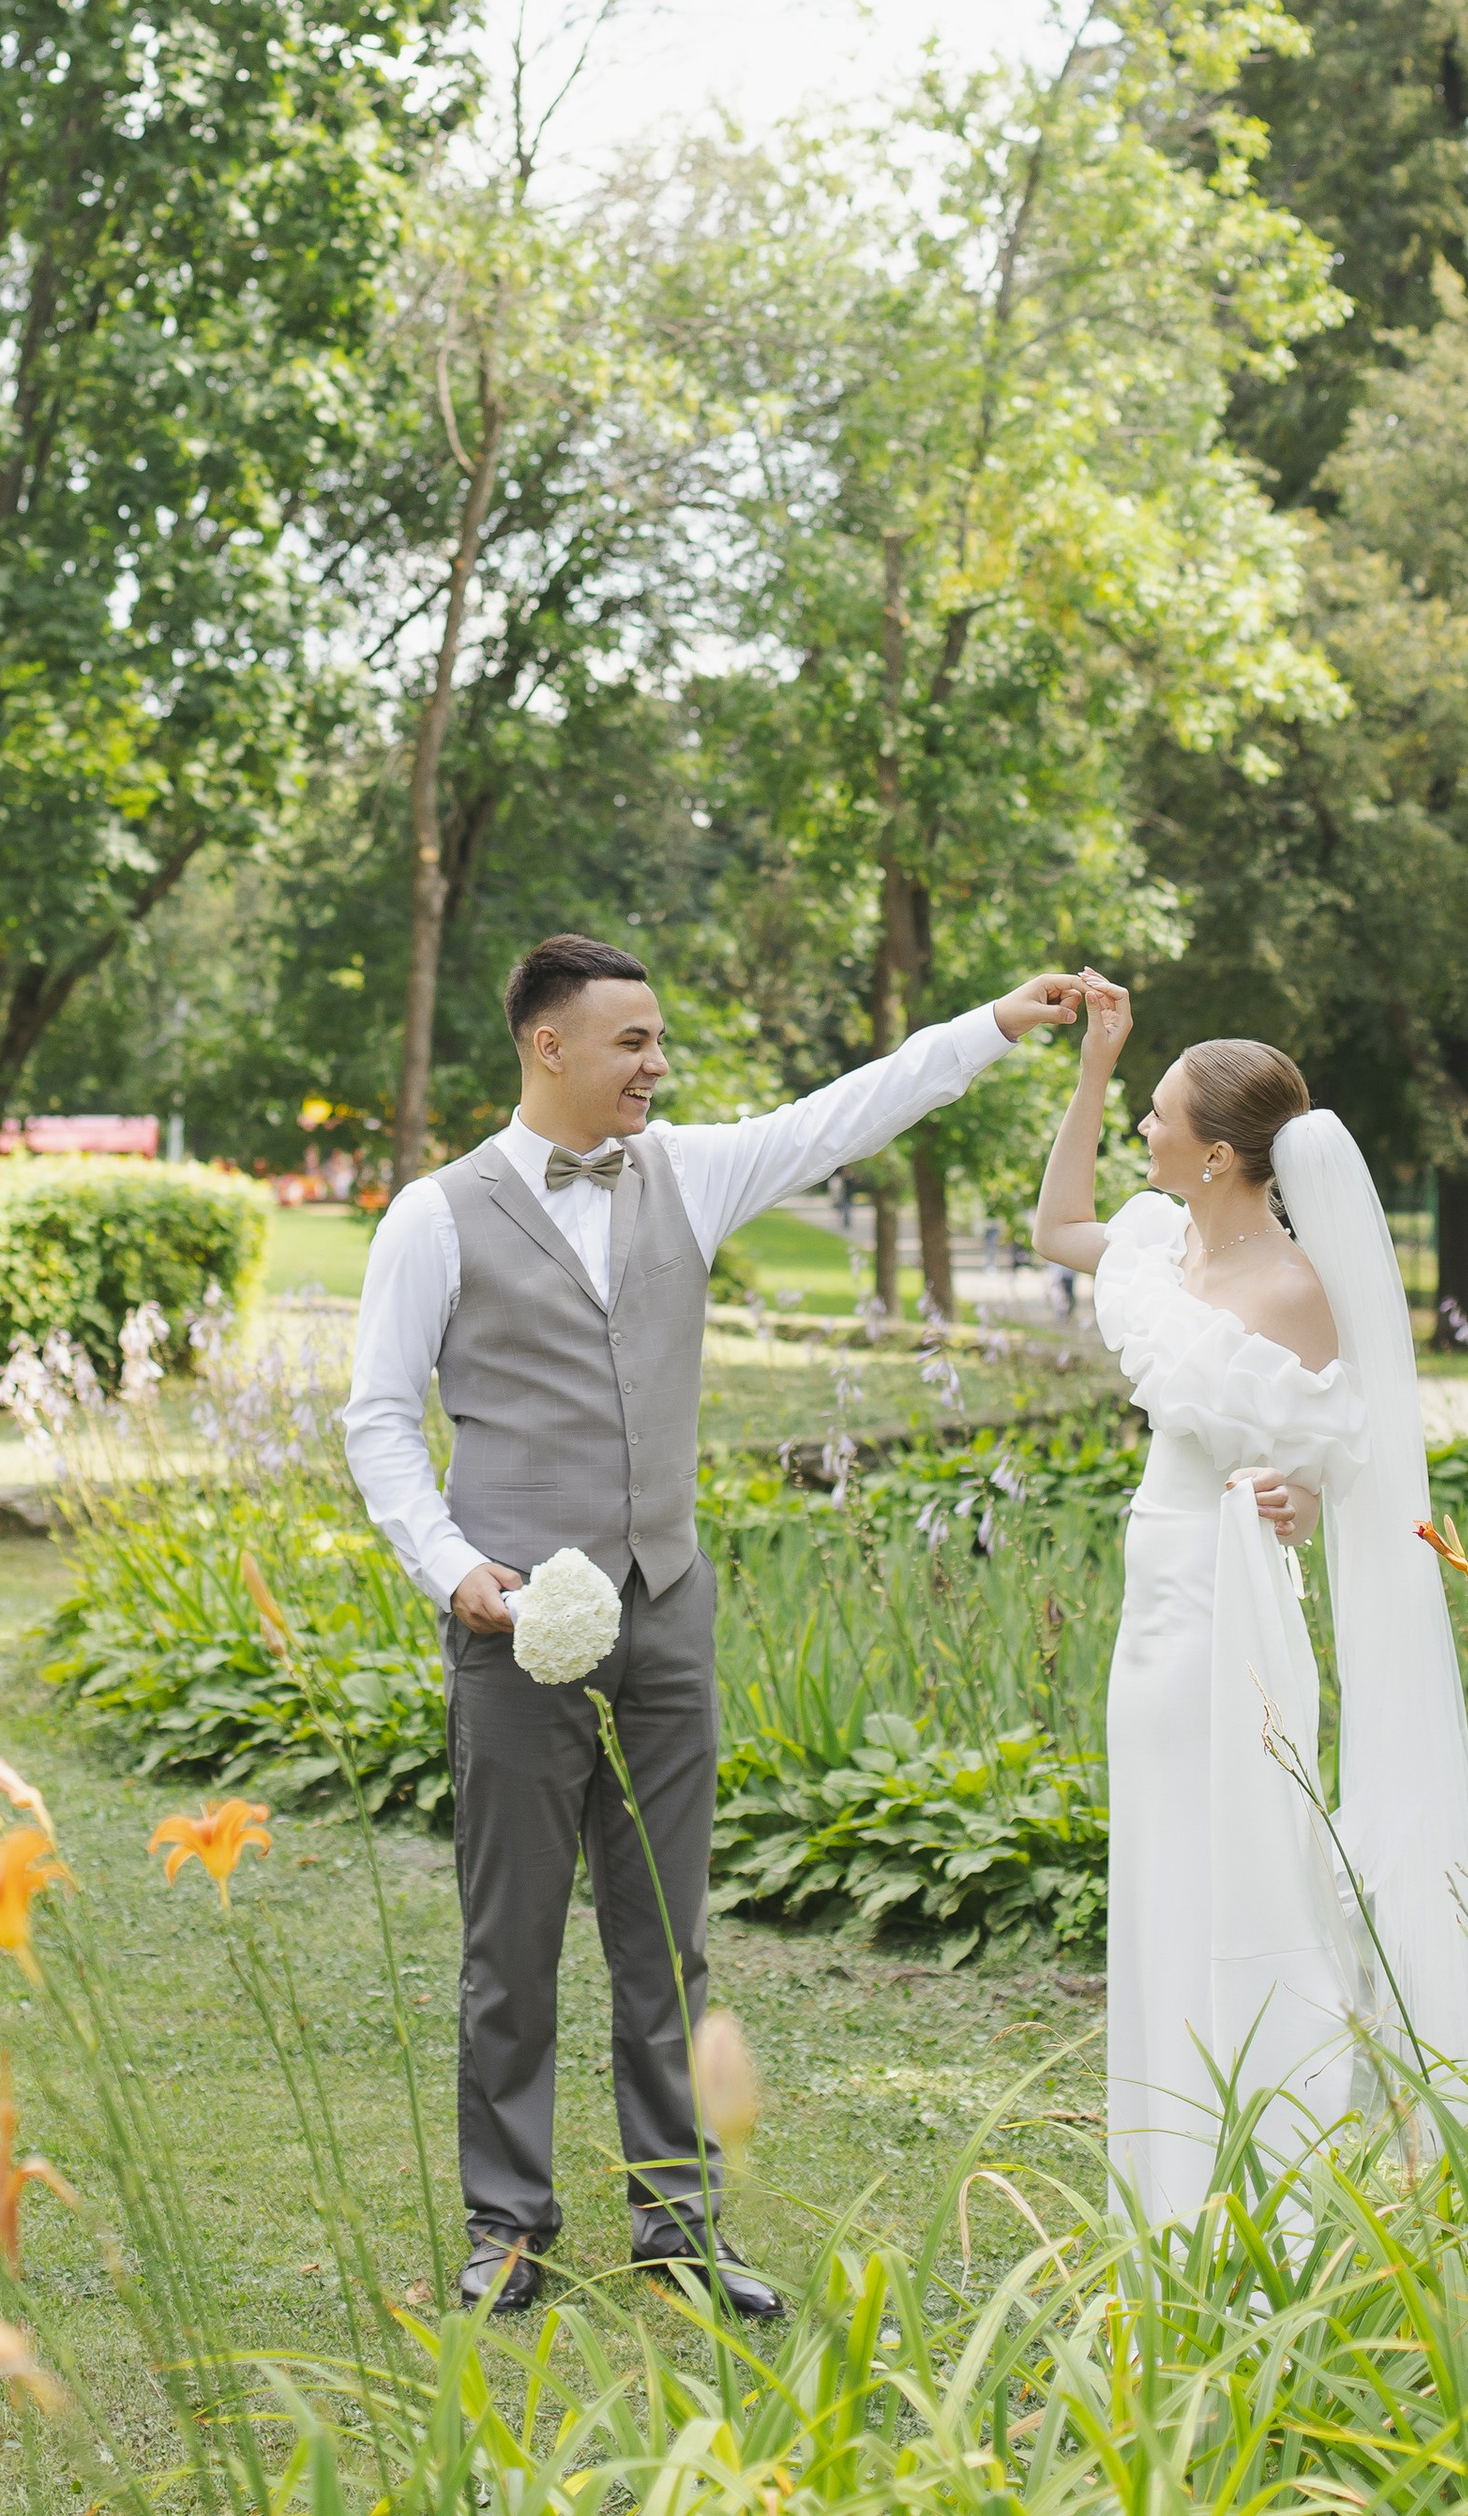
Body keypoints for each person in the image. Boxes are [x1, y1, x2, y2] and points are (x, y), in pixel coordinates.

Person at [342, 930, 1081, 2319]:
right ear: (547, 1045)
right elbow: (378, 1420)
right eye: (633, 1041)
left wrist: (996, 1024)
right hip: (513, 1630)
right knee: (511, 1937)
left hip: (668, 1611)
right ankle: (508, 2225)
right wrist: (451, 1569)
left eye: (661, 1040)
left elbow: (849, 1109)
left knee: (666, 1935)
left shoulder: (690, 1170)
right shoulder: (433, 1216)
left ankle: (679, 2229)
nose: (658, 1065)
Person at [1029, 974, 1468, 2228]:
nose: (1143, 1126)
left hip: (1229, 1602)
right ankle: (1170, 2157)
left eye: (1157, 1113)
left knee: (1238, 1859)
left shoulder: (1295, 1289)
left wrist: (1289, 1488)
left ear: (1220, 1153)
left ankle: (1272, 2157)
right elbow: (1053, 1224)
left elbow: (1344, 1449)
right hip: (1156, 1591)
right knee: (1160, 1858)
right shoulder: (1158, 1241)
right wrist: (1093, 1064)